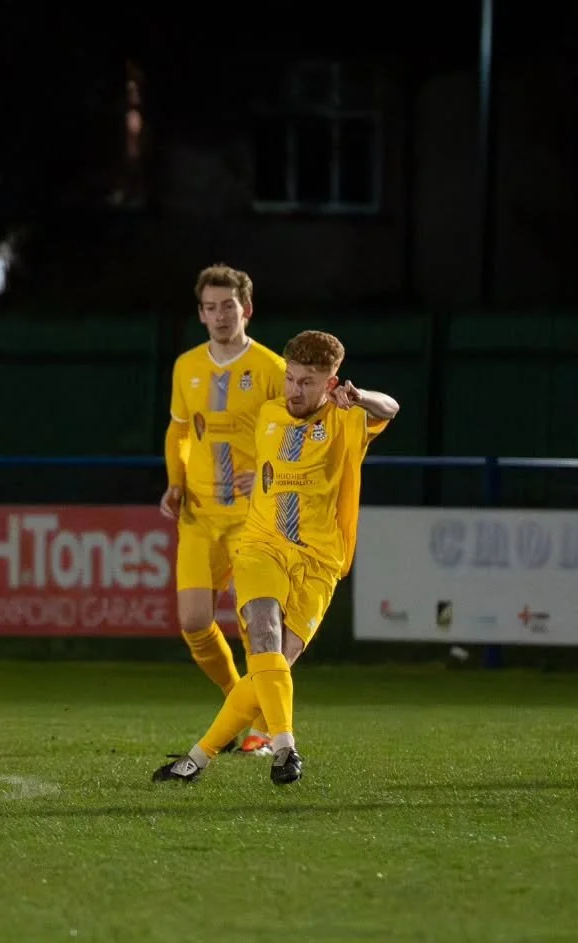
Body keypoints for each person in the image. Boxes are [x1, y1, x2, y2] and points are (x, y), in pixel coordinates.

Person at [153, 330, 398, 785]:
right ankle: (285, 748)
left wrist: (360, 397)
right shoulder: (268, 413)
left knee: (274, 666)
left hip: (319, 560)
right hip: (261, 547)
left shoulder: (346, 418)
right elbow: (259, 461)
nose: (294, 390)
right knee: (263, 635)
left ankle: (196, 760)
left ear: (331, 383)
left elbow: (391, 408)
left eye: (307, 382)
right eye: (290, 378)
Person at [161, 264, 285, 756]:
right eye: (210, 308)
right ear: (200, 314)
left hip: (253, 518)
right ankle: (239, 701)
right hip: (199, 514)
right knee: (194, 622)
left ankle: (262, 730)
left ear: (246, 309)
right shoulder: (186, 366)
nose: (219, 315)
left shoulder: (273, 369)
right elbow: (179, 431)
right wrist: (175, 483)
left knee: (258, 627)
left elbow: (292, 436)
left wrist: (269, 476)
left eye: (227, 306)